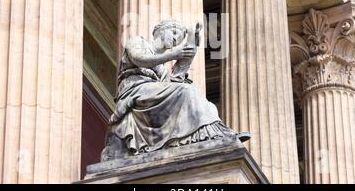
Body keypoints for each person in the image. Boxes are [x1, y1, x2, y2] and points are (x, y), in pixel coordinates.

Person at [101, 19, 250, 161]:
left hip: (151, 92)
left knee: (204, 102)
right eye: (173, 33)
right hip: (135, 89)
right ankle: (213, 135)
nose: (174, 40)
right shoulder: (138, 42)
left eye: (178, 40)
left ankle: (215, 135)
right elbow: (139, 59)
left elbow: (175, 81)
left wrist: (192, 44)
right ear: (161, 30)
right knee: (186, 91)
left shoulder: (162, 69)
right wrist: (173, 55)